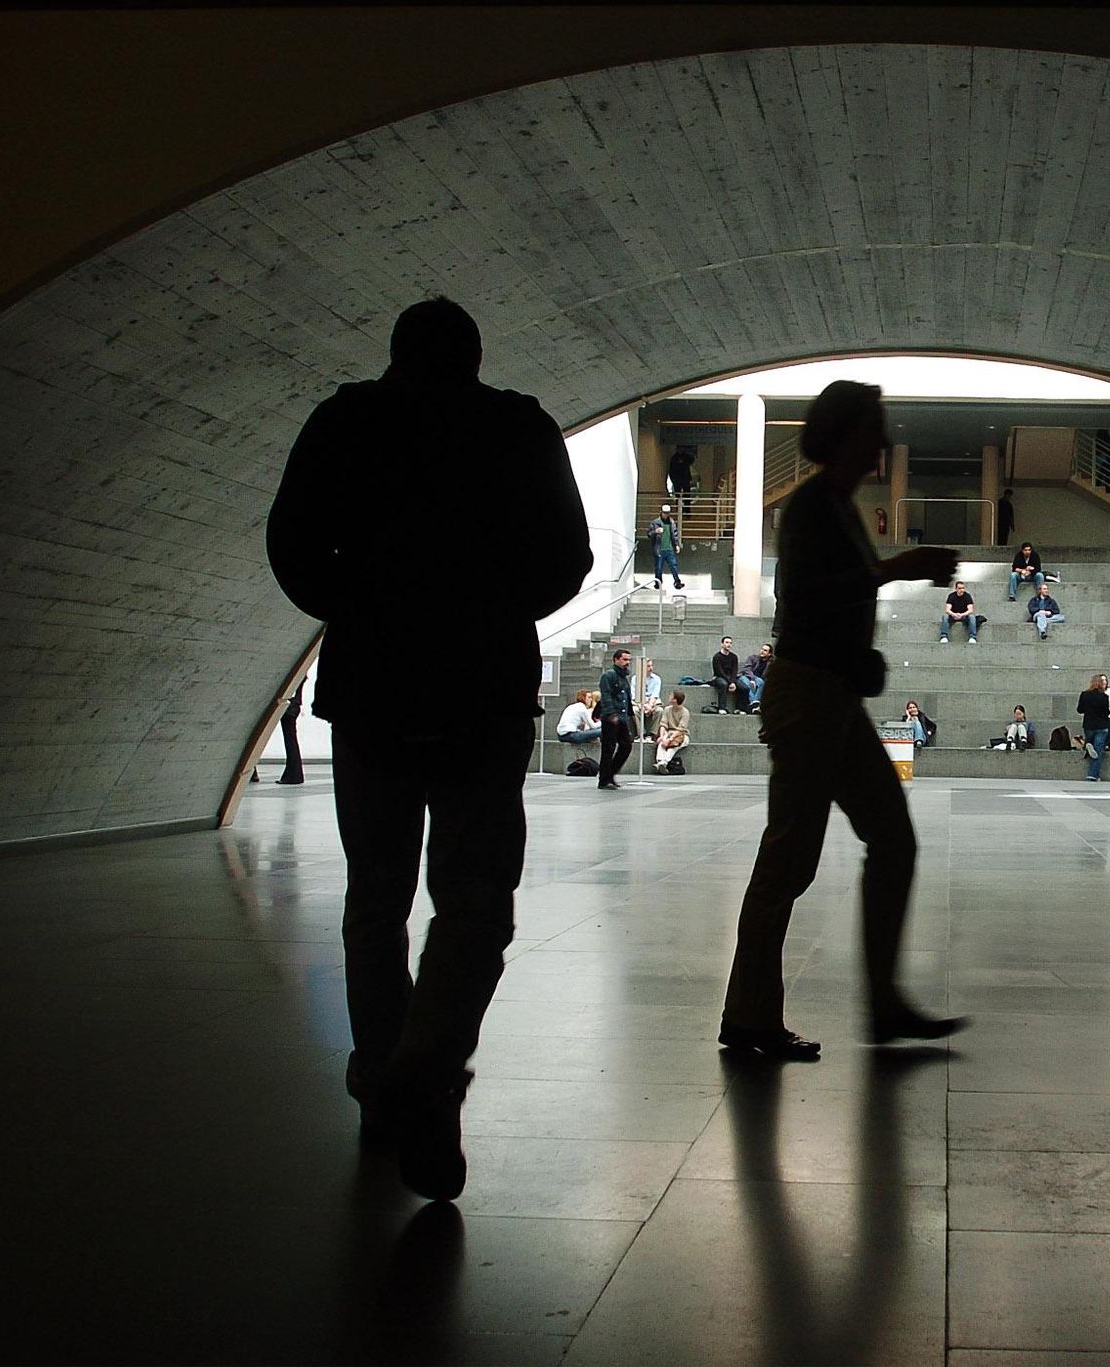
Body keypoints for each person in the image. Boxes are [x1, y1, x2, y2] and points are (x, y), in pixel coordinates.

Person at [265, 296, 591, 1201]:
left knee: (376, 898)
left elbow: (291, 547)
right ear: (475, 357)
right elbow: (566, 557)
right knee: (476, 898)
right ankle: (429, 1070)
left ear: (394, 354)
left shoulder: (343, 422)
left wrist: (362, 605)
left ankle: (385, 1079)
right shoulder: (517, 429)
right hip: (480, 689)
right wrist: (487, 611)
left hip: (371, 687)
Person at [720, 379, 967, 1061]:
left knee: (890, 837)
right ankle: (748, 1016)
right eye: (873, 426)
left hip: (831, 696)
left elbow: (828, 605)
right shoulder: (810, 506)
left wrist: (863, 656)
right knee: (789, 859)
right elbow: (802, 595)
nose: (882, 439)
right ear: (845, 433)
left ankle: (883, 1002)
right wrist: (892, 570)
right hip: (807, 698)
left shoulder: (839, 506)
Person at [595, 648, 637, 787]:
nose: (627, 663)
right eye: (624, 660)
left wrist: (630, 715)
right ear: (616, 660)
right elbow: (606, 696)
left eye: (629, 660)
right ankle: (604, 779)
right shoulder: (609, 676)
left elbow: (627, 698)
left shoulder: (624, 677)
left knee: (626, 746)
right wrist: (611, 714)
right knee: (608, 748)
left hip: (622, 717)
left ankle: (610, 774)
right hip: (611, 718)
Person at [1076, 673, 1110, 780]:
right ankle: (1092, 775)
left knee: (1091, 743)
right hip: (1101, 726)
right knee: (1098, 750)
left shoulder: (1084, 694)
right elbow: (1106, 712)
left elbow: (1080, 710)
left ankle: (1087, 744)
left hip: (1088, 725)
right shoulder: (1104, 697)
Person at [704, 635, 744, 714]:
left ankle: (740, 708)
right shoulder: (717, 657)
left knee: (744, 688)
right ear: (722, 644)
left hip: (731, 678)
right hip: (719, 677)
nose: (729, 644)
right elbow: (719, 672)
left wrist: (732, 682)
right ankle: (722, 707)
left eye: (730, 643)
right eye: (727, 642)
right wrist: (730, 683)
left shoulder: (734, 657)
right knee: (723, 684)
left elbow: (734, 671)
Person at [649, 503, 685, 590]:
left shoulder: (671, 522)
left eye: (668, 513)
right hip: (659, 549)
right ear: (661, 512)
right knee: (658, 568)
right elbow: (649, 534)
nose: (666, 514)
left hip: (669, 549)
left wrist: (676, 545)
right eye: (665, 513)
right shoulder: (656, 522)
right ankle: (658, 583)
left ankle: (677, 582)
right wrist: (655, 531)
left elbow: (675, 534)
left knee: (674, 566)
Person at [654, 690, 691, 773]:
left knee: (672, 746)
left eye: (671, 696)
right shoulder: (667, 709)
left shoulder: (685, 712)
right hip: (668, 732)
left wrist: (670, 739)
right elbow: (663, 724)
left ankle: (663, 762)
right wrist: (662, 737)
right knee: (661, 744)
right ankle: (660, 762)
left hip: (680, 735)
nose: (669, 697)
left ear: (675, 700)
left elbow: (681, 729)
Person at [276, 684, 306, 784]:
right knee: (291, 742)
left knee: (290, 742)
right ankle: (293, 775)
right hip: (294, 707)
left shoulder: (296, 679)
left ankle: (293, 776)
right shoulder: (300, 677)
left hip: (290, 708)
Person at [939, 580, 979, 644]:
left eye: (963, 588)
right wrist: (954, 614)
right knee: (945, 617)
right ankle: (944, 636)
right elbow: (947, 610)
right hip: (953, 616)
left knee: (972, 617)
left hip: (964, 616)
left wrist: (962, 614)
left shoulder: (967, 596)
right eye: (960, 588)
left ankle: (972, 637)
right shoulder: (951, 596)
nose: (962, 590)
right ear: (956, 589)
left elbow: (970, 610)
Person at [741, 642, 773, 712]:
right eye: (762, 649)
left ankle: (752, 705)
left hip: (759, 680)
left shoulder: (770, 663)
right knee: (749, 684)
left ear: (769, 654)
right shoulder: (753, 658)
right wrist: (752, 679)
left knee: (761, 682)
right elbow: (746, 669)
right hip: (746, 676)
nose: (762, 651)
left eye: (765, 650)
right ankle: (755, 704)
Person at [639, 658, 663, 730]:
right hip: (639, 702)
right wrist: (643, 705)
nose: (651, 668)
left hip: (653, 702)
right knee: (634, 710)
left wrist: (649, 706)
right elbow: (634, 695)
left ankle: (652, 734)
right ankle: (640, 733)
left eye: (651, 666)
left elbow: (655, 695)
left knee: (659, 710)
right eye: (648, 666)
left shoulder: (657, 679)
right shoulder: (635, 678)